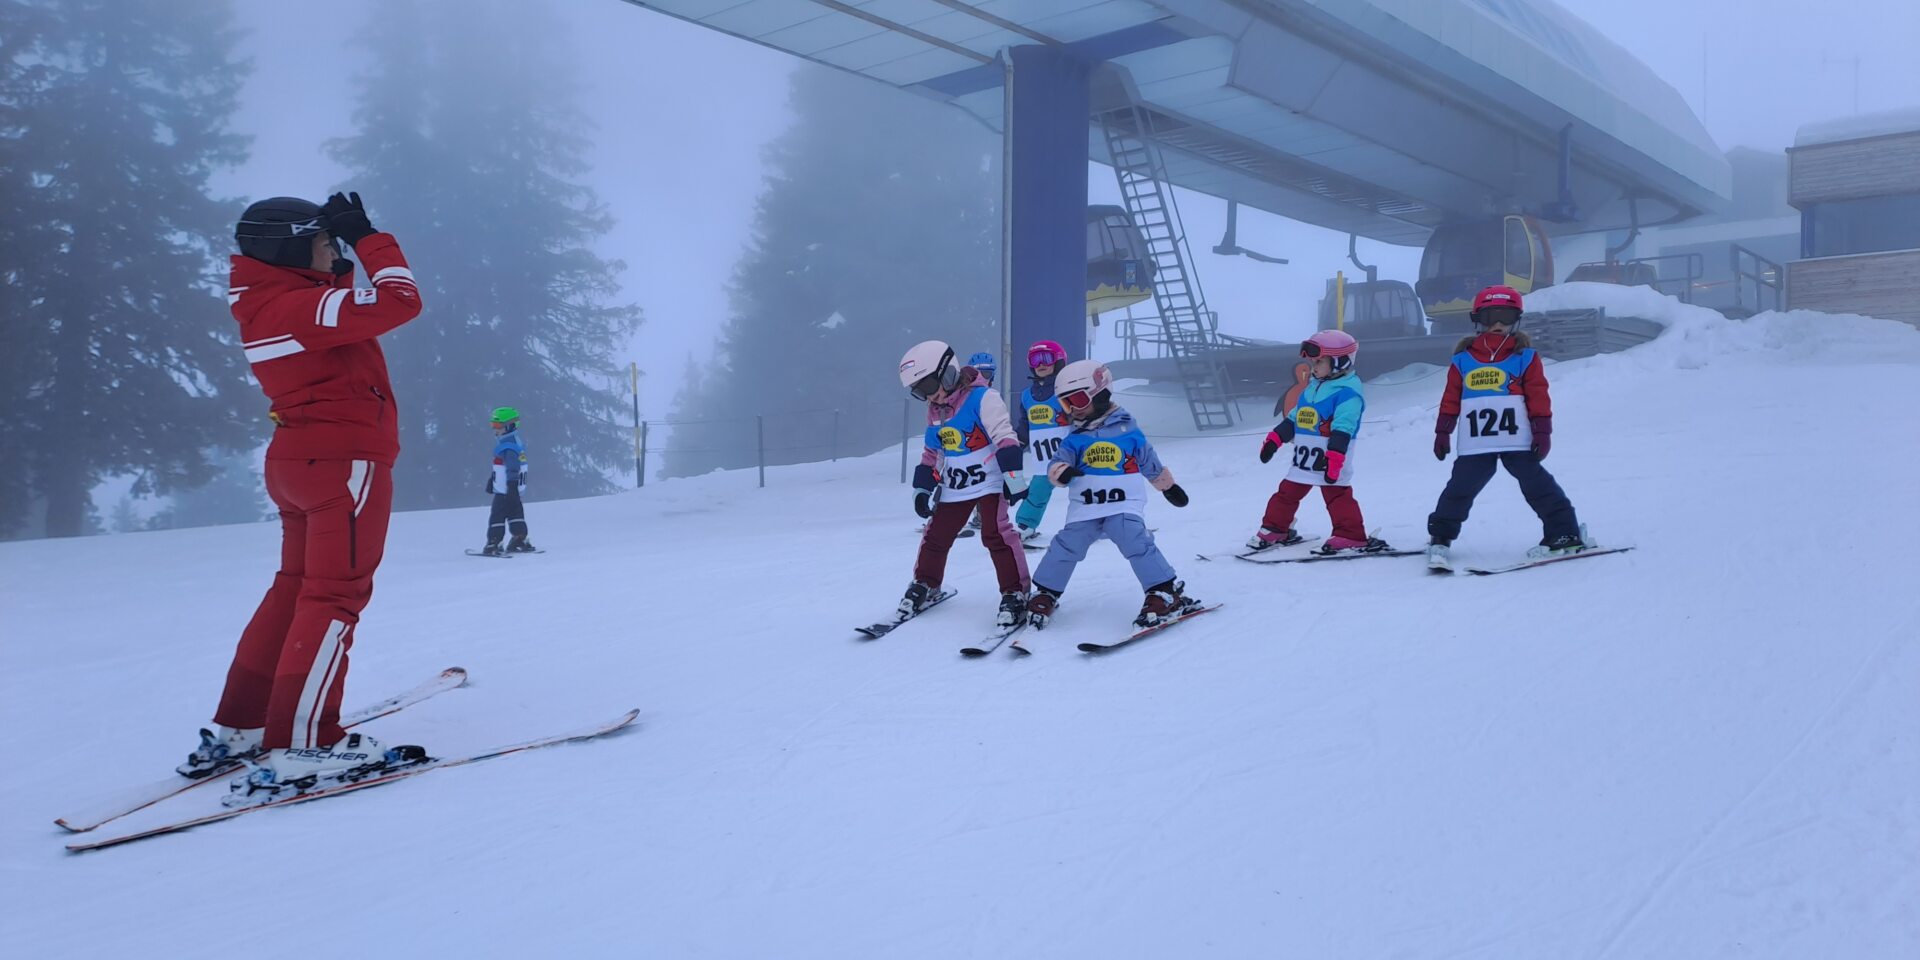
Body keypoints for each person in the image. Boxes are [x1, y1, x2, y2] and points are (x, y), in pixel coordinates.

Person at [179, 191, 425, 799]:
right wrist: (369, 236)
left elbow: (337, 302)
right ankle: (306, 740)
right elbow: (402, 299)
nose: (335, 250)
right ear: (291, 245)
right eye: (324, 241)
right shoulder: (303, 309)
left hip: (298, 461)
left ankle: (244, 723)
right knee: (335, 596)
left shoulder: (269, 302)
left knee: (295, 591)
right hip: (344, 464)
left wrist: (337, 259)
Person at [1027, 360, 1196, 630]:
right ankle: (1046, 591)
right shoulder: (1074, 438)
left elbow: (1149, 462)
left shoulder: (1128, 432)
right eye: (1067, 404)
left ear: (1101, 393)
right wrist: (1061, 472)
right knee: (1066, 544)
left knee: (1135, 540)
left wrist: (1168, 487)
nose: (1074, 410)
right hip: (1086, 507)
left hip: (1122, 504)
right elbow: (1056, 463)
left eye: (1079, 400)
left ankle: (1163, 590)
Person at [1426, 285, 1585, 568]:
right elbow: (1451, 398)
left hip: (1518, 439)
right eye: (1490, 317)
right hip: (1476, 441)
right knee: (1460, 487)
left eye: (1506, 317)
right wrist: (1443, 431)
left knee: (1536, 484)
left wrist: (1542, 430)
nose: (1498, 324)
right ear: (1478, 320)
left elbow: (1538, 394)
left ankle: (1564, 533)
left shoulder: (1525, 357)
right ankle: (1440, 538)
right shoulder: (1462, 360)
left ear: (1516, 320)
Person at [898, 340, 1031, 628]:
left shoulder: (983, 398)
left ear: (947, 372)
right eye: (920, 391)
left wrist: (1012, 476)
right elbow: (932, 452)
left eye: (930, 384)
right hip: (956, 484)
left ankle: (1015, 592)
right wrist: (922, 487)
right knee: (936, 536)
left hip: (990, 480)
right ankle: (926, 583)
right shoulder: (936, 410)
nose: (929, 395)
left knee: (996, 534)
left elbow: (1004, 437)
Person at [1249, 330, 1389, 555]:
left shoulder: (1347, 393)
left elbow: (1344, 426)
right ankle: (1274, 529)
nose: (1313, 367)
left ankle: (1350, 535)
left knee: (1337, 496)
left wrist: (1335, 456)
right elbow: (1296, 417)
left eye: (1319, 362)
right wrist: (1275, 438)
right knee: (1286, 493)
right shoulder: (1313, 387)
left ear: (1339, 362)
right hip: (1304, 459)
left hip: (1331, 458)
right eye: (1312, 362)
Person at [1012, 340, 1069, 544]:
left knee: (1088, 487)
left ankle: (1105, 522)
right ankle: (1025, 526)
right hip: (1044, 459)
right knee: (1037, 491)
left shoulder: (1066, 389)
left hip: (1071, 455)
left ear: (1059, 361)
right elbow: (1024, 425)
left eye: (1047, 358)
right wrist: (1016, 444)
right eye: (1035, 360)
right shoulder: (1027, 395)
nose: (1041, 364)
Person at [480, 406, 535, 556]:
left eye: (497, 426)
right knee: (515, 513)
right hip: (512, 489)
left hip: (506, 489)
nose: (494, 429)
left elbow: (512, 467)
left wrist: (510, 484)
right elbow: (502, 467)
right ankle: (519, 539)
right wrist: (493, 480)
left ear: (510, 426)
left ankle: (494, 543)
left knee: (498, 514)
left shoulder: (508, 446)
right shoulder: (515, 443)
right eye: (492, 425)